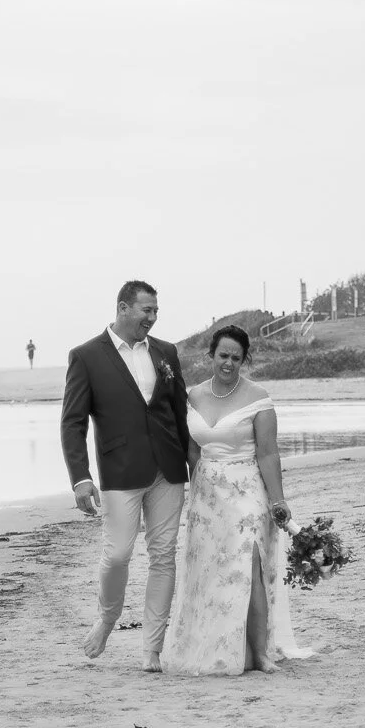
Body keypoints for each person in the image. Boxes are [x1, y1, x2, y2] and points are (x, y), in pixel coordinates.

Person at [162, 325, 310, 676]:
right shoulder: (194, 395)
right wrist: (196, 487)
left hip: (247, 491)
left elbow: (269, 453)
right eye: (223, 356)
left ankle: (260, 653)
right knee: (211, 570)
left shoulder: (258, 398)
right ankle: (216, 643)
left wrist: (278, 502)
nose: (228, 363)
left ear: (245, 360)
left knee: (250, 566)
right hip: (207, 495)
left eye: (236, 358)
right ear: (211, 356)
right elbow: (193, 448)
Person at [60, 281, 190, 671]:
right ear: (122, 308)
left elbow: (180, 413)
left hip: (168, 469)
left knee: (164, 556)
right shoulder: (86, 356)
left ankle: (152, 648)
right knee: (117, 554)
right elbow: (72, 422)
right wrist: (81, 478)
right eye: (145, 310)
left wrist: (194, 465)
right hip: (119, 472)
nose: (152, 318)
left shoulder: (166, 352)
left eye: (155, 311)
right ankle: (107, 617)